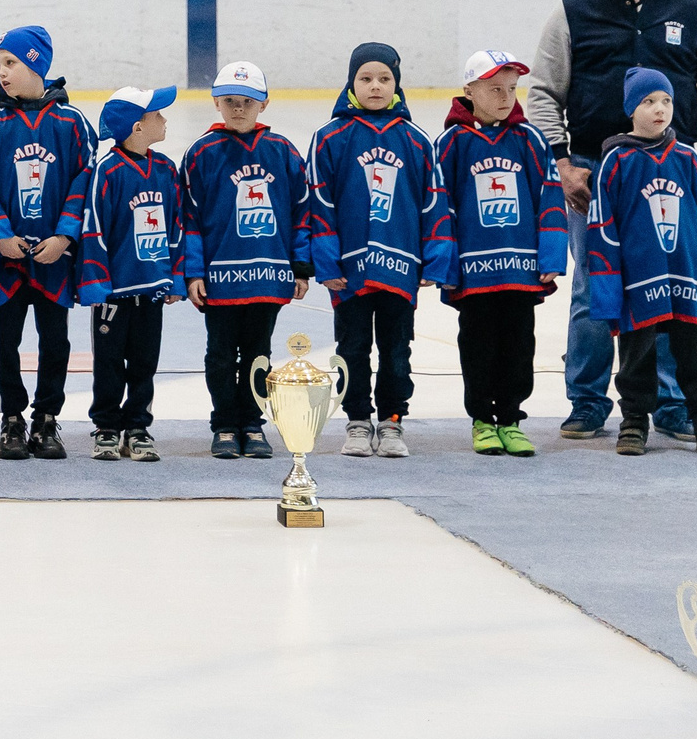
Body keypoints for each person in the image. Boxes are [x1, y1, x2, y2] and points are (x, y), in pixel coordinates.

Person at [527, 0, 697, 442]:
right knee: (592, 288)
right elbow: (543, 94)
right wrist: (563, 164)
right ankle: (587, 402)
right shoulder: (573, 11)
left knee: (673, 288)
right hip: (594, 177)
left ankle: (671, 404)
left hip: (673, 179)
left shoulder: (693, 11)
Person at [307, 43, 452, 459]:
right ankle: (356, 420)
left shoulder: (416, 140)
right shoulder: (329, 137)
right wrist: (326, 260)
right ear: (351, 83)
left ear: (397, 84)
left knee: (396, 350)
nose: (375, 86)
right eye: (366, 78)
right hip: (349, 271)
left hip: (400, 267)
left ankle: (391, 421)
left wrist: (435, 258)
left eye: (384, 79)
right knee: (351, 348)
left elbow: (433, 201)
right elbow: (319, 202)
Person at [586, 67, 697, 459]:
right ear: (630, 109)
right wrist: (607, 287)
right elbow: (602, 228)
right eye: (648, 101)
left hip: (687, 277)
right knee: (636, 356)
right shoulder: (615, 162)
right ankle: (634, 422)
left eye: (667, 100)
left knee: (695, 353)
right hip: (639, 281)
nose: (660, 109)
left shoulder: (689, 159)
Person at [435, 49, 570, 456]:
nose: (506, 97)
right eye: (494, 89)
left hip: (519, 270)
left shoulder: (530, 139)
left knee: (519, 346)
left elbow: (550, 198)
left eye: (511, 89)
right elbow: (441, 205)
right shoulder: (452, 142)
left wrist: (551, 255)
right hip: (474, 272)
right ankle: (482, 420)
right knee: (478, 346)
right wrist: (446, 264)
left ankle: (510, 419)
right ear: (469, 91)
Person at [0, 24, 93, 462]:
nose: (2, 72)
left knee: (55, 340)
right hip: (7, 259)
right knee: (7, 341)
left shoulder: (73, 123)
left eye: (11, 63)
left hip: (56, 258)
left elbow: (84, 179)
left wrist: (64, 235)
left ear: (36, 64)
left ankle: (46, 417)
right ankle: (11, 418)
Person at [181, 60, 312, 460]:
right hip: (220, 279)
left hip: (268, 276)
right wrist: (193, 272)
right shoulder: (201, 153)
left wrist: (300, 266)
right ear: (216, 103)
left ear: (264, 104)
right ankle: (224, 424)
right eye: (230, 101)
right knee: (220, 354)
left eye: (248, 102)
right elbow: (189, 219)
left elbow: (301, 213)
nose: (239, 109)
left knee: (259, 353)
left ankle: (252, 424)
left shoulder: (283, 151)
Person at [76, 85, 182, 464]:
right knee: (108, 363)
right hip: (115, 293)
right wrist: (97, 284)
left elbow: (177, 227)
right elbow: (93, 227)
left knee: (144, 362)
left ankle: (137, 425)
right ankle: (106, 426)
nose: (164, 119)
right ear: (137, 127)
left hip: (152, 289)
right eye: (157, 115)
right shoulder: (107, 171)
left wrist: (175, 278)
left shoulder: (166, 170)